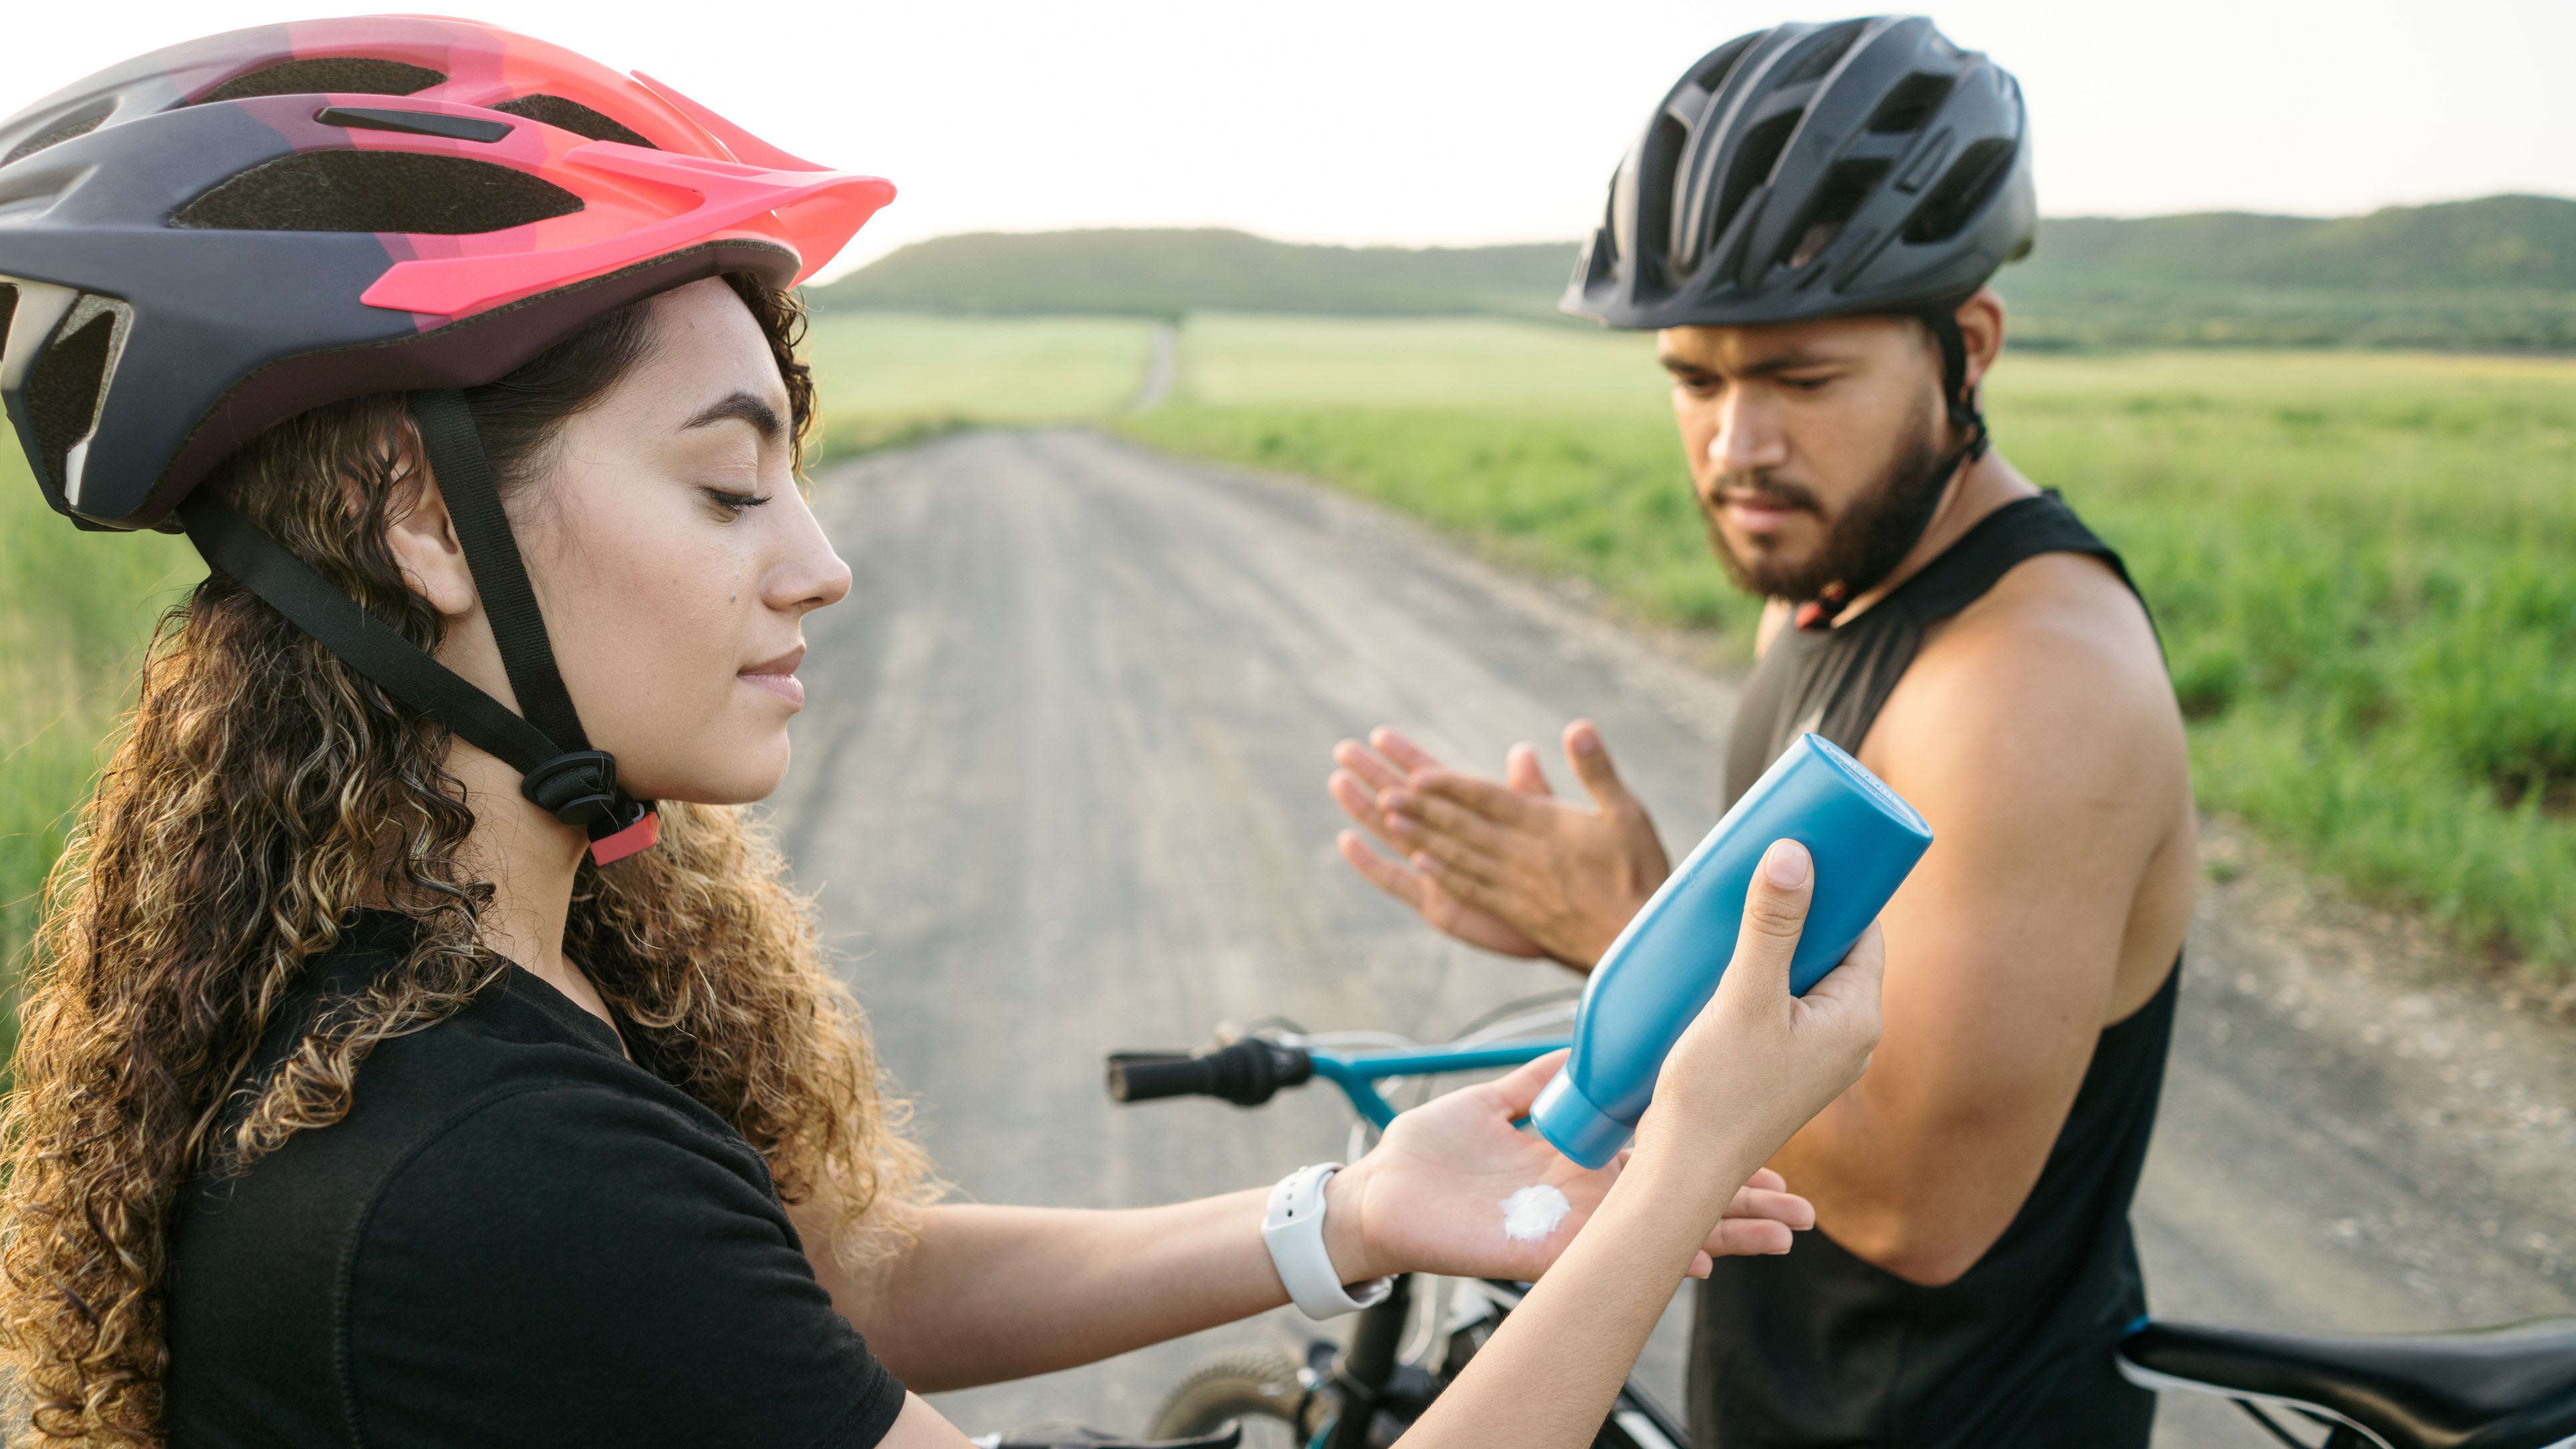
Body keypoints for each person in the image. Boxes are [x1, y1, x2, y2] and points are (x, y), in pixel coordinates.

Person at [0, 20, 1883, 1448]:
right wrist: (1691, 1152)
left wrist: (1357, 1210)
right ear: (423, 516)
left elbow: (837, 1285)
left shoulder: (456, 993)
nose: (819, 565)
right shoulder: (471, 1169)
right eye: (730, 491)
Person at [1329, 16, 2196, 1448]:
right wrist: (1646, 926)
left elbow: (1922, 1211)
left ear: (1965, 347)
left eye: (1800, 381)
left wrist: (1626, 940)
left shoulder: (2030, 680)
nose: (1737, 446)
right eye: (1696, 379)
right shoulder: (1825, 585)